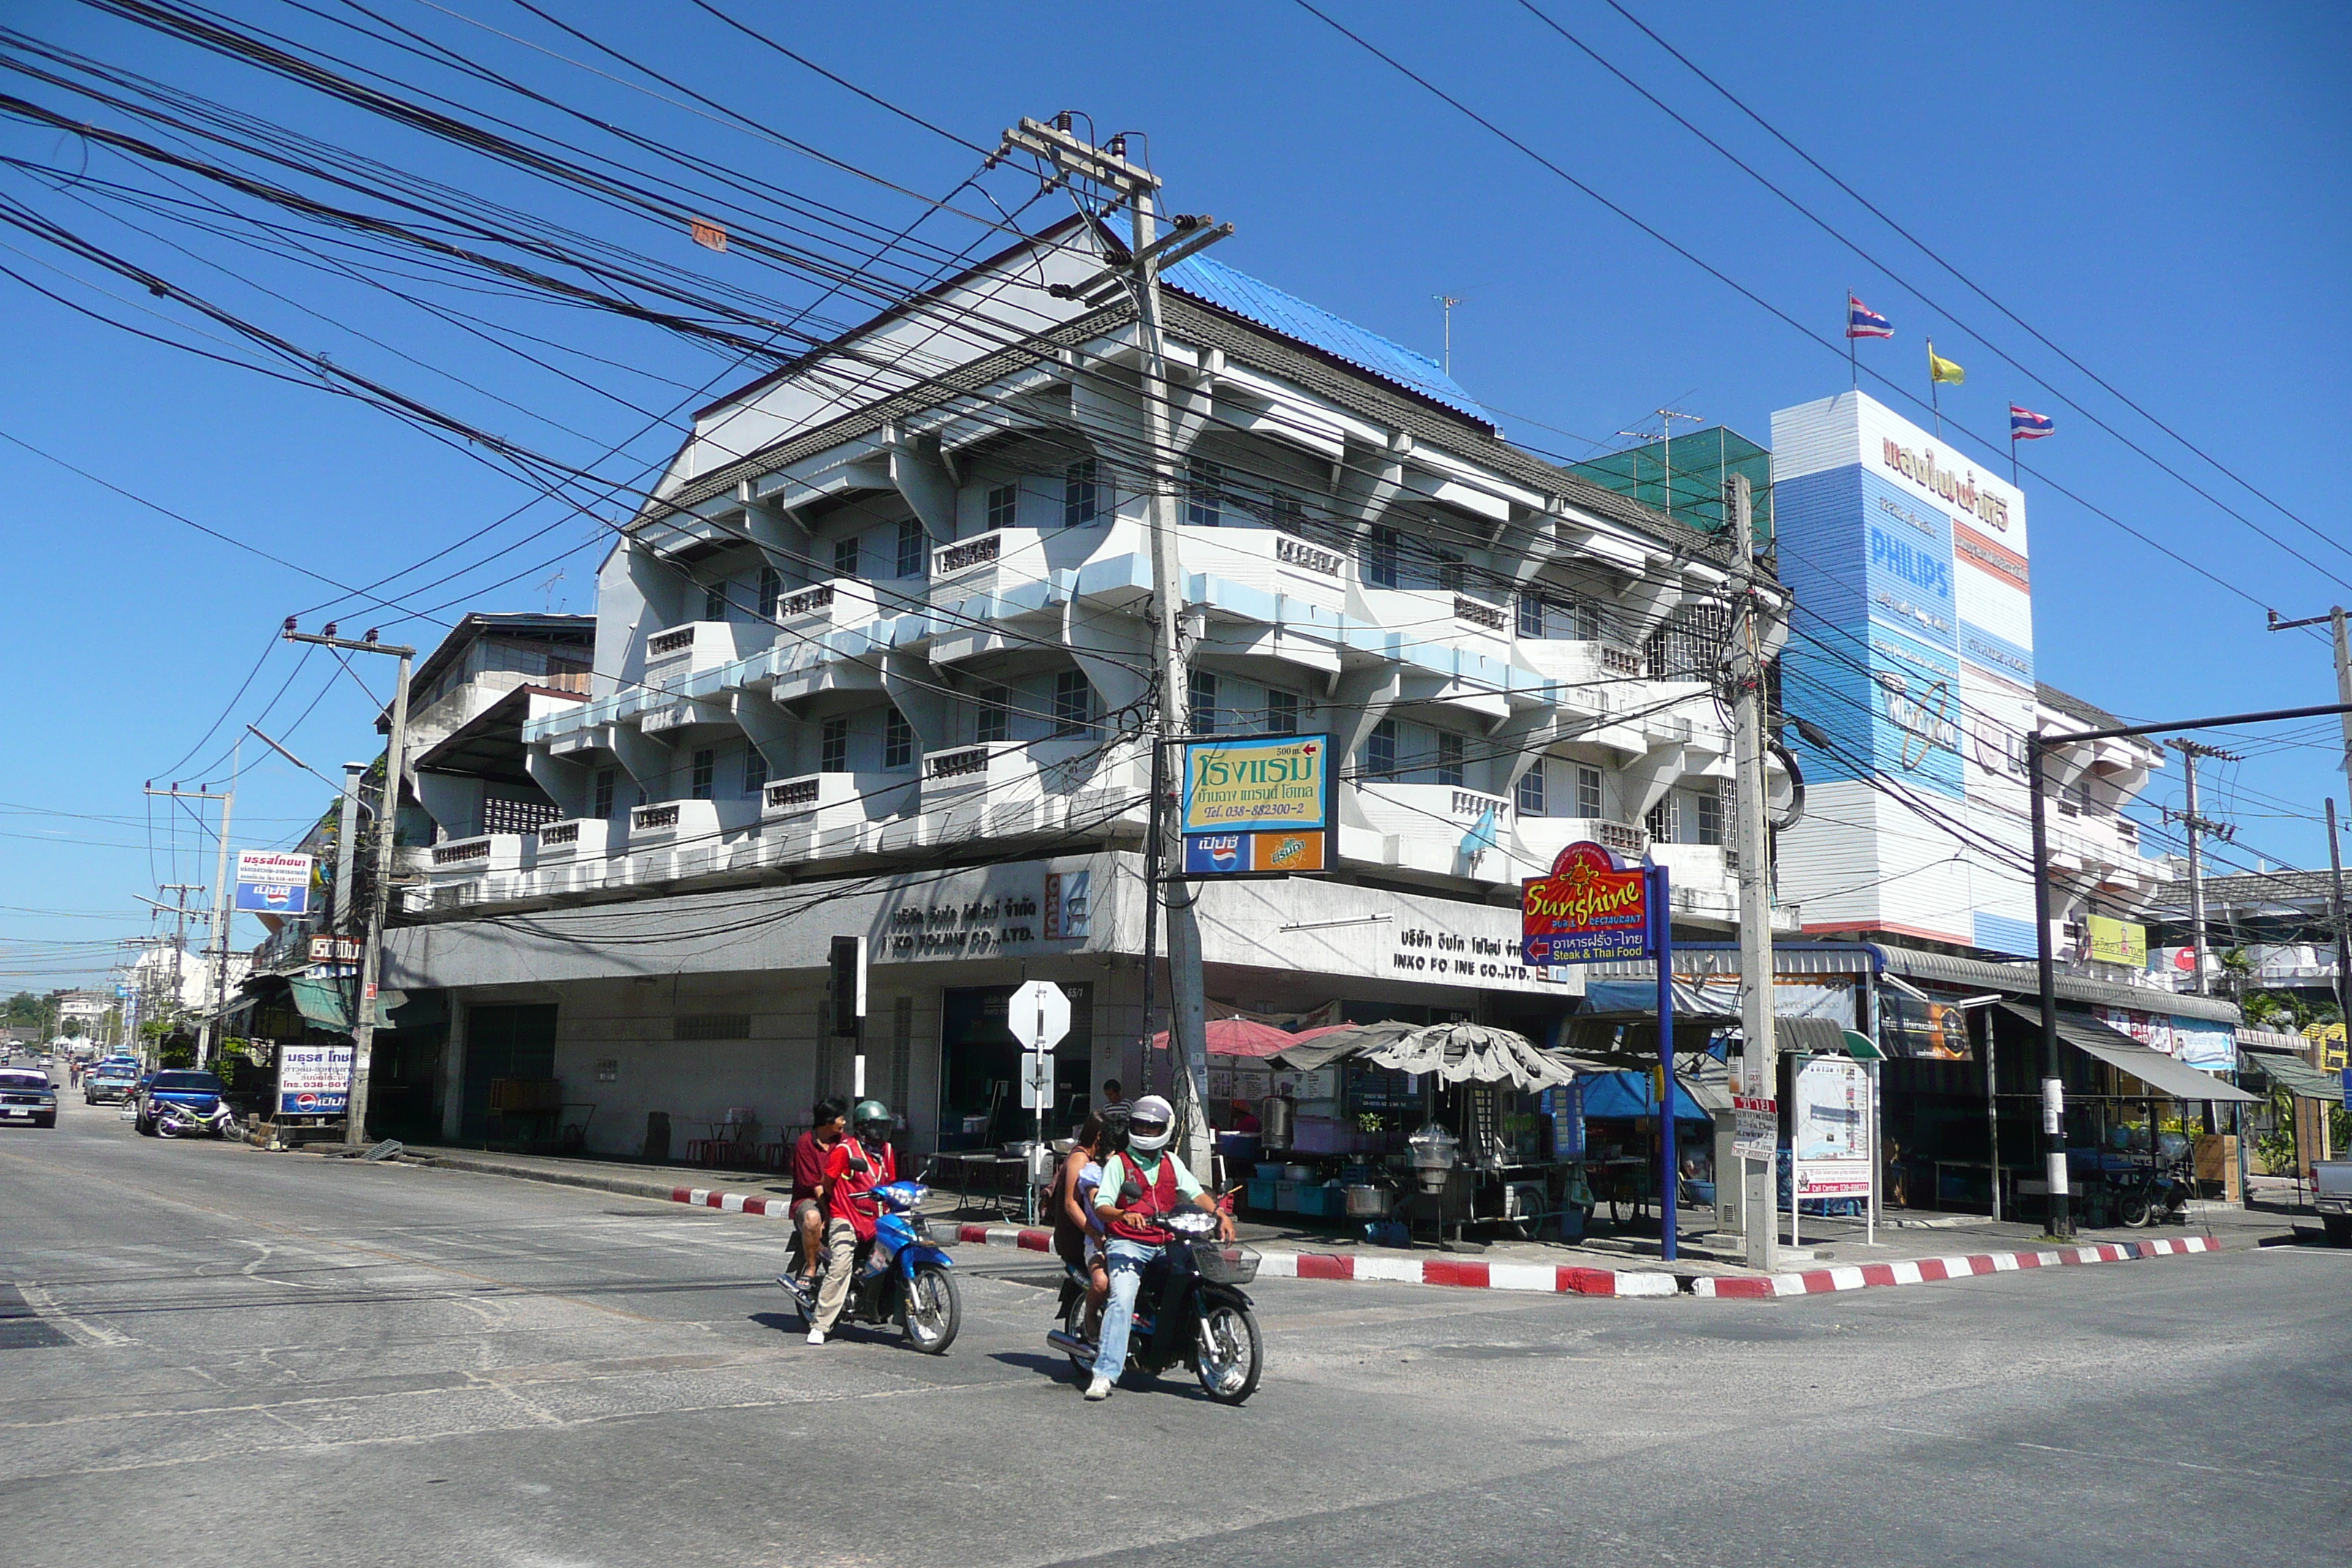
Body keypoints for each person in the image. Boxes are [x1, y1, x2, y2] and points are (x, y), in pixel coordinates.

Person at [1083, 1094, 1232, 1401]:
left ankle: (1218, 1364)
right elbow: (1102, 1206)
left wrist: (1219, 1214)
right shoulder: (1119, 1164)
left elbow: (1194, 1192)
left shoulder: (1171, 1162)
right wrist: (1125, 1214)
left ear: (1165, 1129)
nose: (1147, 1133)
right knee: (1122, 1298)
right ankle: (1105, 1372)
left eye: (1153, 1128)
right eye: (1141, 1127)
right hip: (1127, 1243)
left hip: (1165, 1240)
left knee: (1197, 1279)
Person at [808, 1098, 897, 1346]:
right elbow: (828, 1182)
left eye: (884, 1127)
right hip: (847, 1217)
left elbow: (890, 1184)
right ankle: (820, 1324)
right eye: (875, 1127)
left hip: (878, 1220)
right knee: (841, 1266)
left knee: (899, 1255)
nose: (880, 1133)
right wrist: (836, 1204)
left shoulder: (887, 1151)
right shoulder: (845, 1150)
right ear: (862, 1128)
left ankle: (908, 1318)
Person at [1049, 1114, 1112, 1339]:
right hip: (1075, 1238)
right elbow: (1070, 1204)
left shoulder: (1094, 1160)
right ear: (1098, 1136)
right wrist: (1094, 1233)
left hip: (1089, 1234)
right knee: (1103, 1281)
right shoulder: (1080, 1160)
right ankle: (1091, 1317)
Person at [780, 1096, 848, 1294]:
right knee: (812, 1218)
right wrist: (828, 1214)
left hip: (840, 1198)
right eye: (840, 1118)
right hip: (812, 1200)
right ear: (828, 1121)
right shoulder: (805, 1144)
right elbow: (816, 1186)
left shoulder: (846, 1142)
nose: (844, 1122)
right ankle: (811, 1267)